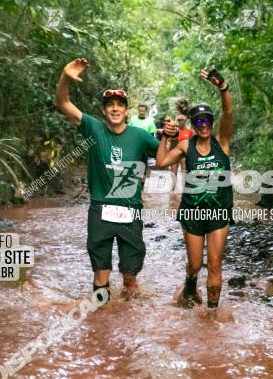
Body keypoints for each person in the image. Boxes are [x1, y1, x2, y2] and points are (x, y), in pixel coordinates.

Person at [55, 58, 159, 301]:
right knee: (101, 275)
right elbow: (62, 102)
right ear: (103, 110)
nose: (114, 108)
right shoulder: (94, 128)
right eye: (110, 105)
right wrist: (65, 76)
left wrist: (177, 140)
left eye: (119, 105)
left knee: (130, 278)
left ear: (126, 111)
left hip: (131, 211)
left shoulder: (141, 136)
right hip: (100, 211)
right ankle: (100, 321)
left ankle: (129, 325)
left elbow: (164, 158)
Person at [156, 68, 233, 309]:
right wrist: (165, 139)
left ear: (211, 123)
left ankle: (211, 314)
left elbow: (229, 112)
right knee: (196, 264)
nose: (203, 125)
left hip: (219, 211)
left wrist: (223, 88)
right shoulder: (185, 145)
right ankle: (190, 282)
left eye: (207, 120)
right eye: (198, 121)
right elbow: (161, 162)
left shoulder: (222, 142)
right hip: (192, 212)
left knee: (215, 265)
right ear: (193, 124)